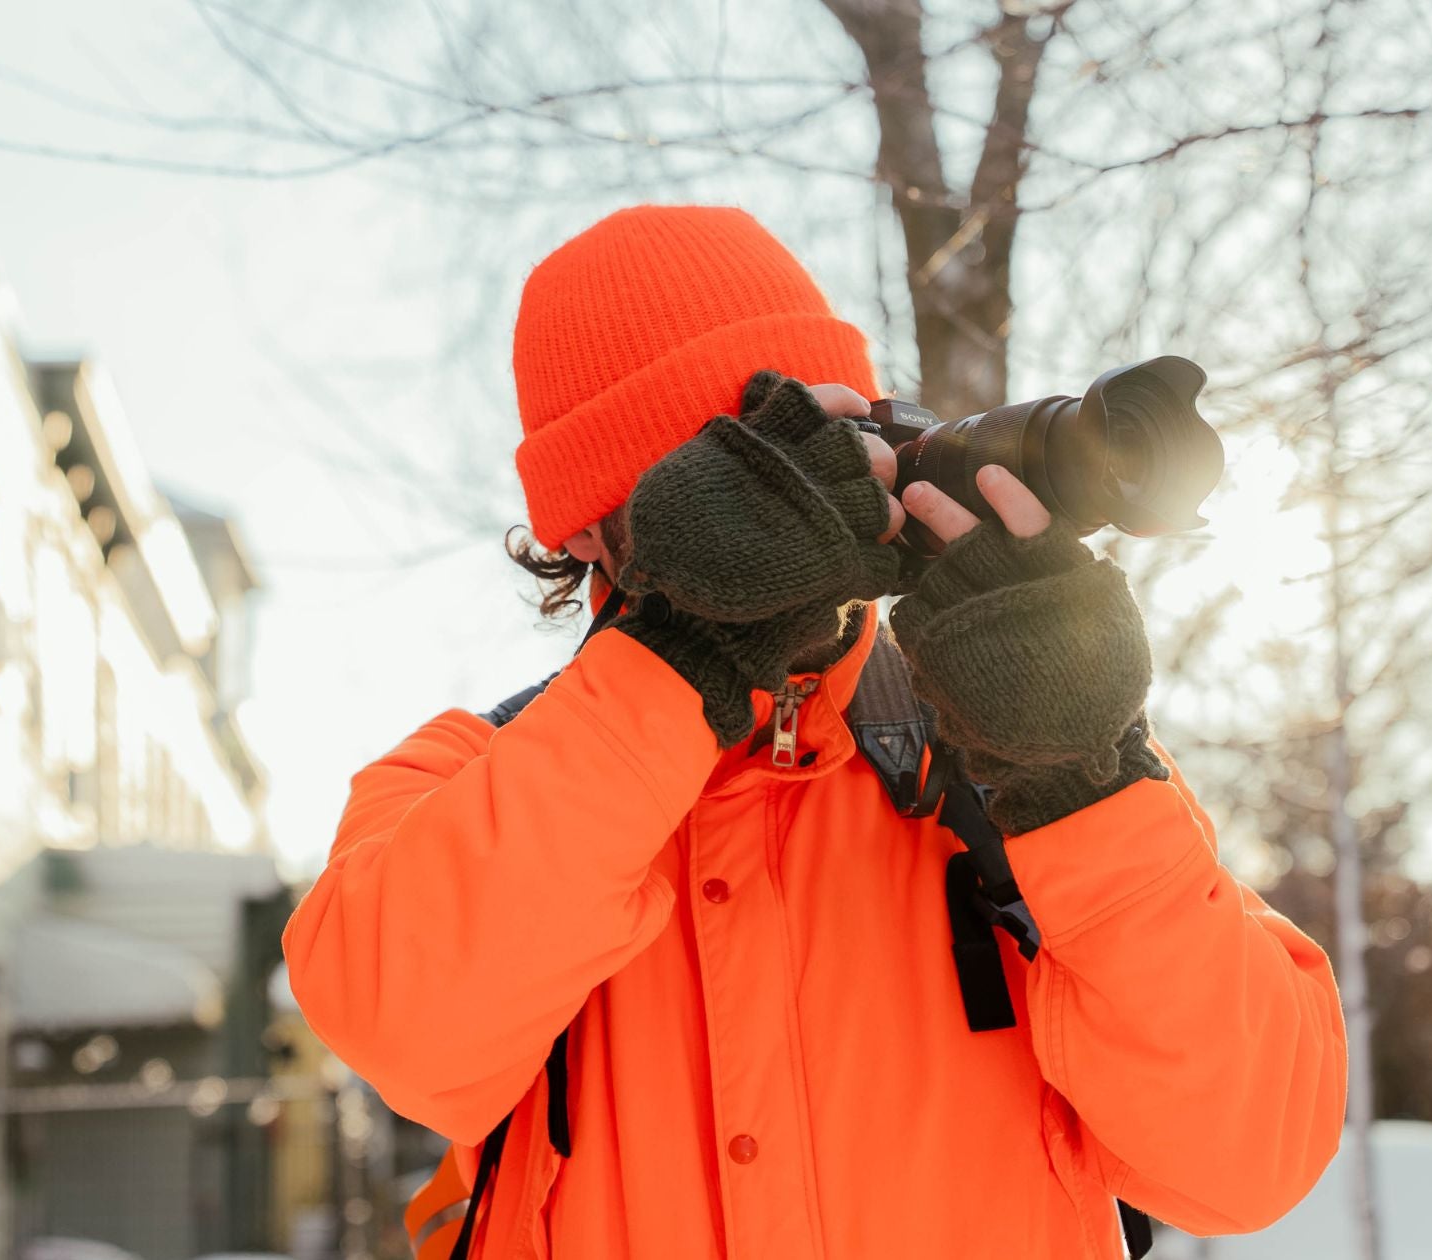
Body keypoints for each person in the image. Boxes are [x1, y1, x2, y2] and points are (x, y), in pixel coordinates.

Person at [283, 205, 1346, 1259]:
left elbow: (1245, 1161)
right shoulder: (462, 776)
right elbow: (408, 1031)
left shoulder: (1016, 765)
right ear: (591, 528)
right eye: (736, 479)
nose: (796, 510)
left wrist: (1080, 784)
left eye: (810, 449)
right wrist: (682, 653)